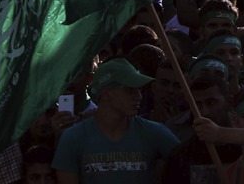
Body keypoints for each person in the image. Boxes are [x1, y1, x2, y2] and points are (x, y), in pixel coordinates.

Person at [52, 58, 180, 182]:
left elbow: (189, 161)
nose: (139, 96)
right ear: (107, 93)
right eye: (130, 90)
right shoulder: (73, 138)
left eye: (139, 90)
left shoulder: (154, 132)